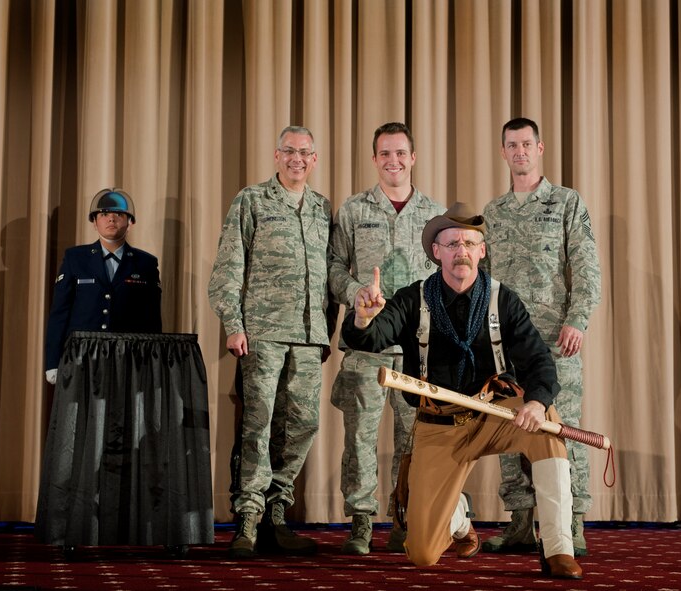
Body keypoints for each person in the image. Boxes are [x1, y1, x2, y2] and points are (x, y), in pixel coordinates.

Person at [342, 202, 584, 579]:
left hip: (495, 414)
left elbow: (539, 361)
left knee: (549, 429)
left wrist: (536, 403)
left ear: (482, 251)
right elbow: (372, 337)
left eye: (470, 244)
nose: (462, 252)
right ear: (436, 251)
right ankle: (459, 521)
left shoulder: (502, 298)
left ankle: (558, 549)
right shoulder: (411, 299)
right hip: (439, 425)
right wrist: (362, 316)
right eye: (452, 243)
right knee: (421, 554)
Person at [208, 126, 334, 558]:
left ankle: (277, 515)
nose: (297, 159)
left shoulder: (321, 208)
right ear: (276, 156)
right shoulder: (252, 200)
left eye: (305, 152)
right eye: (289, 151)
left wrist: (326, 332)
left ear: (314, 159)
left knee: (301, 425)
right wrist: (233, 323)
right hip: (261, 332)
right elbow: (229, 265)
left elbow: (327, 276)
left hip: (308, 335)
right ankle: (247, 517)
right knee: (257, 425)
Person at [482, 117, 602, 557]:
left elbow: (586, 267)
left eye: (526, 144)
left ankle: (573, 522)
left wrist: (578, 319)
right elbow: (485, 279)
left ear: (540, 148)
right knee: (509, 429)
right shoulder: (493, 213)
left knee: (562, 428)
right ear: (503, 152)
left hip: (555, 339)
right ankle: (519, 521)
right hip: (506, 343)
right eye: (511, 146)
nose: (520, 152)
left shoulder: (567, 202)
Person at [328, 122, 446, 555]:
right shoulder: (354, 210)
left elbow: (449, 279)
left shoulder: (435, 216)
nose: (393, 161)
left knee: (414, 441)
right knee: (359, 437)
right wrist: (355, 291)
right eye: (384, 154)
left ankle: (404, 520)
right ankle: (360, 522)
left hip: (419, 348)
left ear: (413, 158)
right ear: (374, 159)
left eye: (401, 153)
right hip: (366, 346)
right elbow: (334, 267)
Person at [44, 187, 162, 384]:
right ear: (94, 222)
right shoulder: (75, 258)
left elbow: (152, 319)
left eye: (119, 214)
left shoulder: (145, 263)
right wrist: (53, 362)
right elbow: (59, 313)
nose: (111, 219)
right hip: (81, 358)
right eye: (104, 214)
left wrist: (153, 361)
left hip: (129, 359)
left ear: (130, 222)